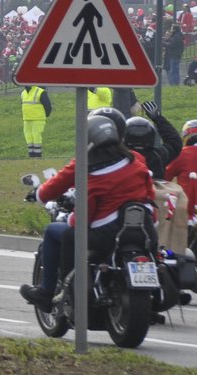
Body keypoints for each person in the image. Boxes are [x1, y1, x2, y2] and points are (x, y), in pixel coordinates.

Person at [20, 114, 155, 311]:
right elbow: (150, 197)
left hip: (105, 234)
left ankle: (47, 293)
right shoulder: (135, 161)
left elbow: (65, 200)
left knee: (55, 232)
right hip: (144, 229)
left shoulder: (84, 164)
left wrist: (38, 194)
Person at [20, 83, 52, 159]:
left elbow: (48, 105)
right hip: (27, 119)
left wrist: (46, 114)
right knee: (28, 137)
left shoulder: (40, 92)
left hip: (38, 118)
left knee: (36, 136)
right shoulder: (23, 93)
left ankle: (37, 156)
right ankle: (31, 155)